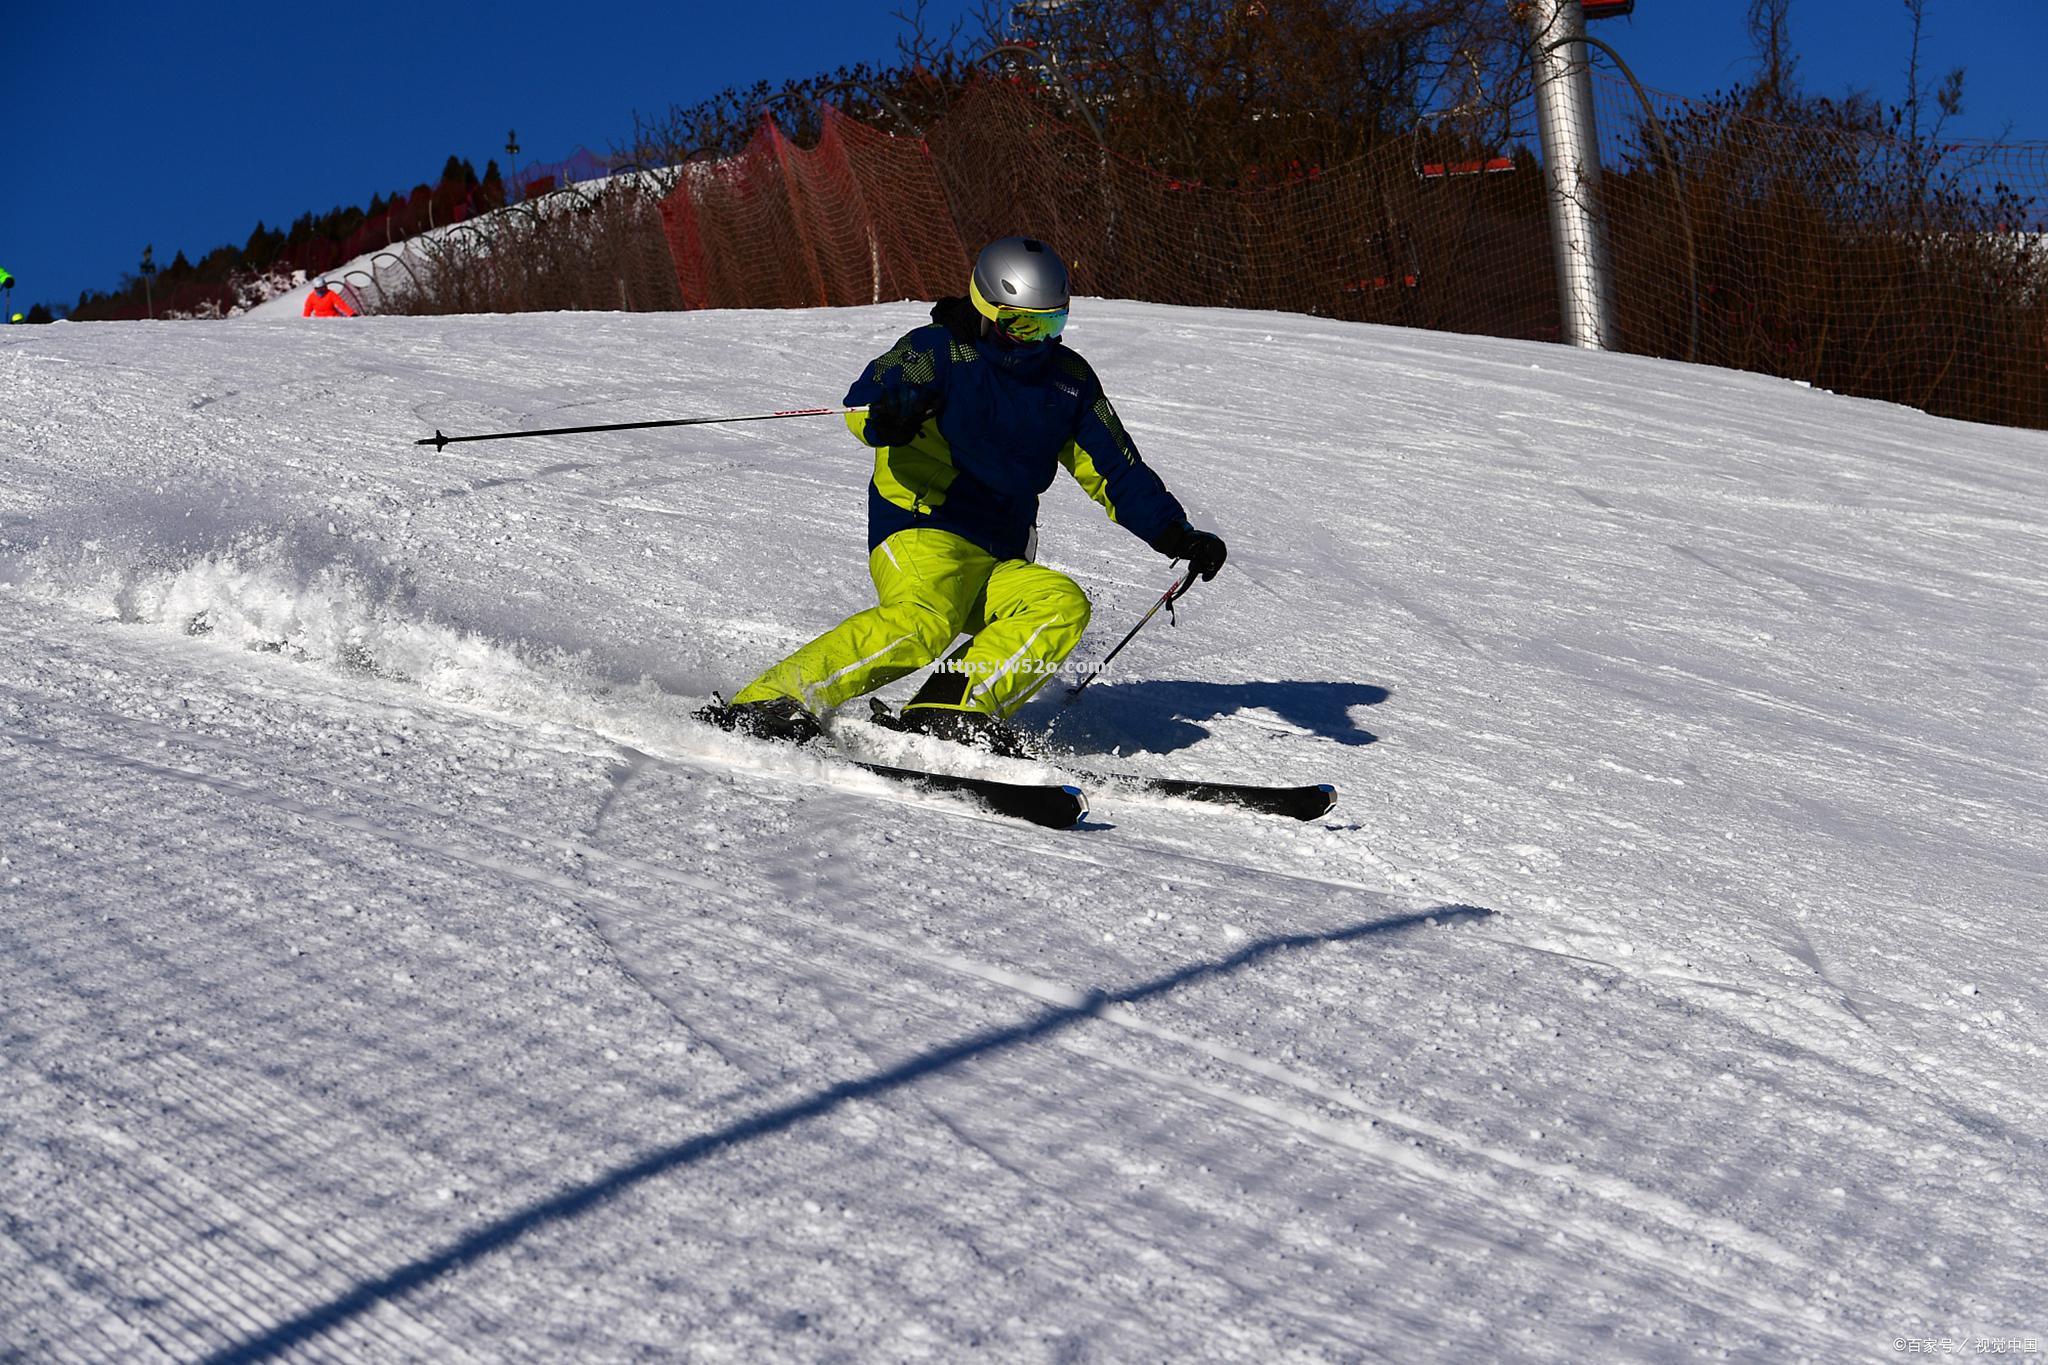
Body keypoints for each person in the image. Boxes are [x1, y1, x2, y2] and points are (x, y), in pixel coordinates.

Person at [699, 235, 1227, 753]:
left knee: (1060, 604)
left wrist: (1174, 533)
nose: (1039, 339)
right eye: (1023, 323)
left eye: (1052, 322)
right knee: (925, 620)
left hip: (1000, 550)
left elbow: (1116, 470)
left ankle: (952, 708)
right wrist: (891, 414)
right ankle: (772, 700)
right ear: (987, 309)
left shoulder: (1068, 381)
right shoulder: (939, 351)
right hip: (922, 528)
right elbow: (866, 402)